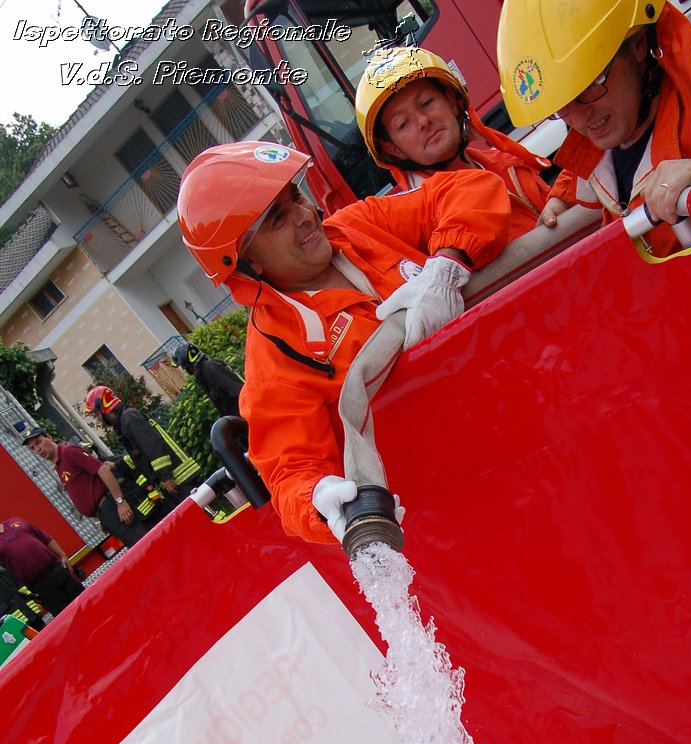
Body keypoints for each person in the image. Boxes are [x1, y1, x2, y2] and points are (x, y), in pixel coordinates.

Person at [177, 140, 513, 544]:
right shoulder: (275, 359)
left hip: (514, 401)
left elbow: (471, 189)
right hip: (460, 495)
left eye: (296, 195)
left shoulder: (357, 226)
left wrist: (448, 263)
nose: (304, 216)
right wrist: (322, 500)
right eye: (277, 218)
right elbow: (292, 471)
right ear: (248, 264)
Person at [497, 0, 691, 244]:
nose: (578, 119)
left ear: (638, 44)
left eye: (589, 86)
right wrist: (561, 202)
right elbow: (582, 172)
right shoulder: (596, 148)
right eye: (560, 107)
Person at [355, 45, 552, 238]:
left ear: (451, 101)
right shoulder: (425, 227)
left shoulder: (508, 164)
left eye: (427, 103)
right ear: (393, 149)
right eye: (403, 123)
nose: (423, 121)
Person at [21, 427, 157, 549]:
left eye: (38, 442)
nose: (37, 449)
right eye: (32, 448)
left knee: (148, 545)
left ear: (49, 437)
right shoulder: (59, 465)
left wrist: (120, 502)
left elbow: (103, 470)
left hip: (113, 507)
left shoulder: (68, 452)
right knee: (139, 548)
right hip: (106, 514)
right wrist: (101, 519)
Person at [84, 386, 202, 507]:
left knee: (206, 514)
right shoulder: (125, 421)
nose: (98, 418)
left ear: (103, 408)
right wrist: (116, 465)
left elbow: (154, 445)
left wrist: (166, 476)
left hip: (179, 477)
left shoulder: (129, 418)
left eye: (96, 413)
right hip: (176, 479)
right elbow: (140, 455)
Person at [0, 517, 83, 617]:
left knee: (86, 599)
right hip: (40, 586)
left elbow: (45, 538)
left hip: (57, 570)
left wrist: (63, 555)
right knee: (68, 617)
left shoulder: (16, 521)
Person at [172, 342, 243, 419]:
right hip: (236, 418)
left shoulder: (212, 367)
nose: (183, 368)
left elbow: (238, 390)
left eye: (183, 365)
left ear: (189, 361)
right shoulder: (202, 376)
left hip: (245, 413)